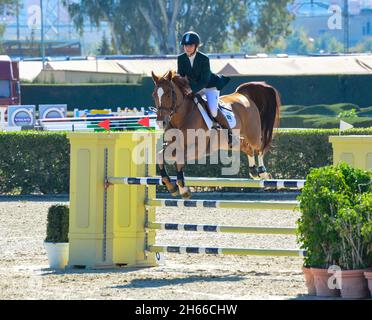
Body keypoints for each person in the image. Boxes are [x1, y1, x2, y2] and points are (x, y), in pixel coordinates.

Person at [177, 31, 233, 147]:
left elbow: (204, 80)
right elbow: (182, 76)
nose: (187, 48)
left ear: (196, 46)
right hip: (193, 87)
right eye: (185, 45)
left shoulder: (204, 59)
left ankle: (229, 134)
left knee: (213, 109)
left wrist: (192, 90)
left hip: (209, 86)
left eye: (190, 45)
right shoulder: (181, 58)